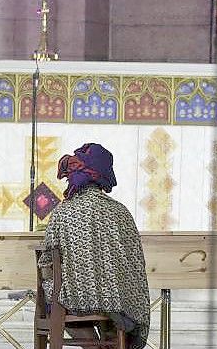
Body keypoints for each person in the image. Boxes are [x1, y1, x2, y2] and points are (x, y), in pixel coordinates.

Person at [38, 143, 150, 349]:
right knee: (117, 309)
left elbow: (47, 261)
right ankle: (114, 342)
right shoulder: (120, 212)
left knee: (57, 299)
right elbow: (136, 263)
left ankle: (91, 345)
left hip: (73, 300)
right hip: (116, 301)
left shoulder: (63, 212)